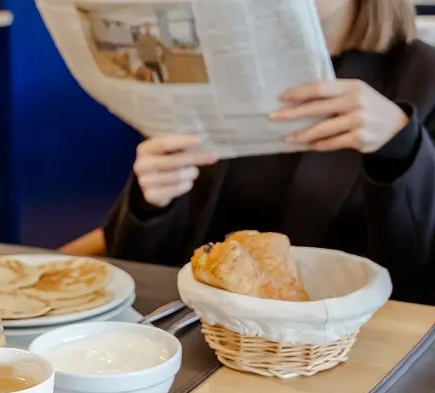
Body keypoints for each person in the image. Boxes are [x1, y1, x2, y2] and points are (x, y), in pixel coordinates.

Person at [61, 0, 435, 305]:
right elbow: (144, 264)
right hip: (206, 331)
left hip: (353, 350)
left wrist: (400, 146)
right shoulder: (215, 65)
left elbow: (417, 274)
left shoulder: (423, 78)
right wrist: (152, 202)